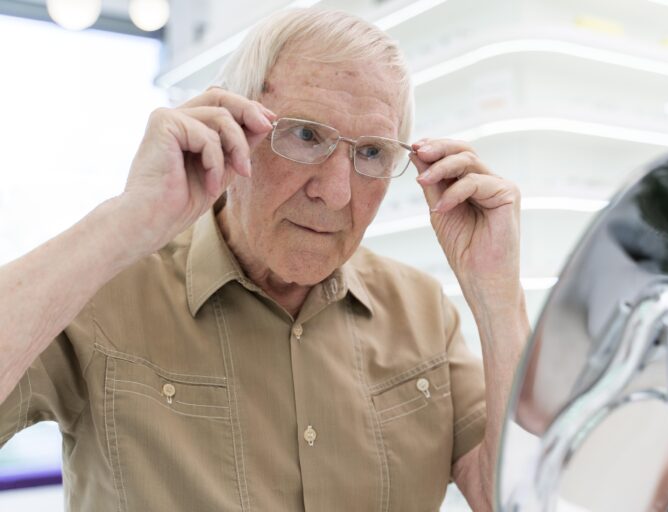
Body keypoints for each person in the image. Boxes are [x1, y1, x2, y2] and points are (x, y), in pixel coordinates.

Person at [0, 8, 529, 511]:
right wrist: (124, 220)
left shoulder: (422, 309)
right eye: (305, 135)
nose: (338, 193)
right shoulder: (105, 292)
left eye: (370, 153)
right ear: (230, 128)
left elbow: (512, 496)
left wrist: (499, 295)